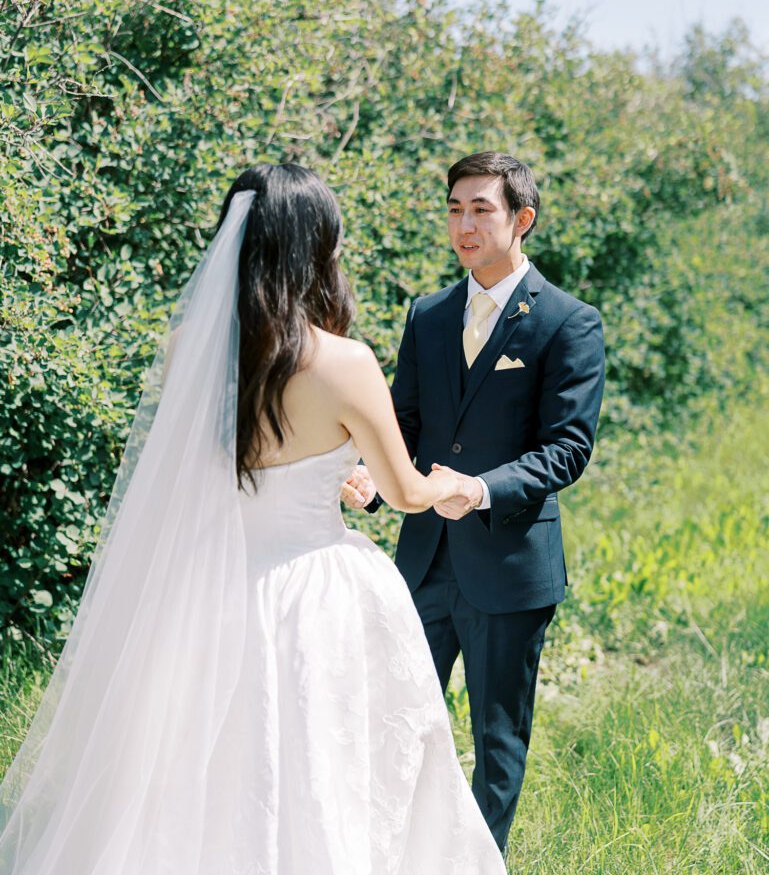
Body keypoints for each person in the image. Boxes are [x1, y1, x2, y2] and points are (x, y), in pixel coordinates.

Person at [0, 164, 506, 874]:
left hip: (207, 589)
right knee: (318, 766)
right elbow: (402, 491)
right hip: (313, 591)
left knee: (207, 770)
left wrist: (332, 477)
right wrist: (447, 485)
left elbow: (203, 475)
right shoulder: (343, 362)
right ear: (314, 248)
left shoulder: (191, 352)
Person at [344, 151, 606, 856]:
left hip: (508, 567)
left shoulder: (567, 322)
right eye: (454, 208)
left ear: (521, 219)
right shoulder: (427, 314)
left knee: (496, 741)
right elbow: (401, 422)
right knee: (398, 721)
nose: (463, 223)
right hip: (423, 561)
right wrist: (373, 477)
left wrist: (479, 489)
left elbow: (565, 450)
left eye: (480, 209)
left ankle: (479, 864)